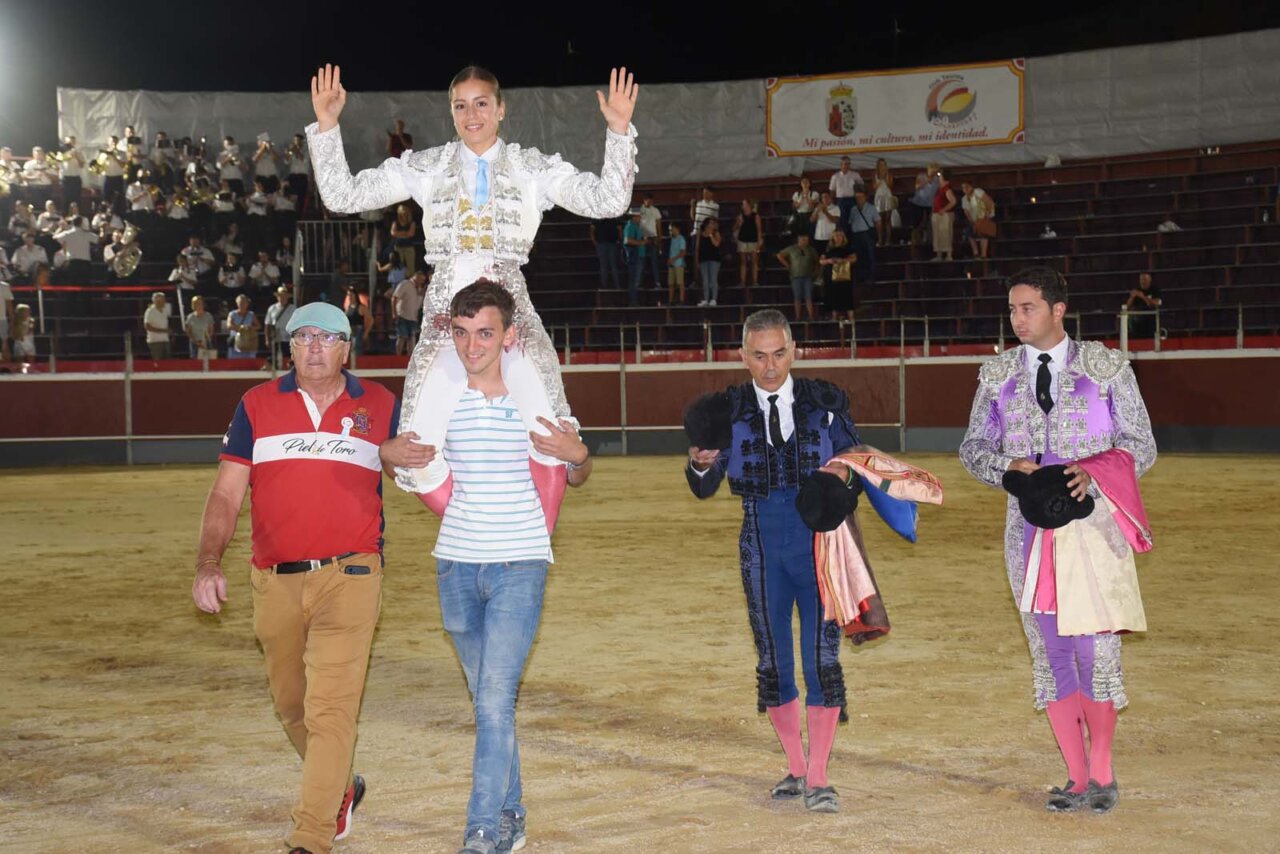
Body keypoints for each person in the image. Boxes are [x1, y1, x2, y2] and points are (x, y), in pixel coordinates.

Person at [307, 62, 636, 511]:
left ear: (500, 109)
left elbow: (609, 200)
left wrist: (619, 132)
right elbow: (343, 197)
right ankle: (472, 526)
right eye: (460, 106)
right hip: (446, 312)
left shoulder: (530, 166)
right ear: (452, 112)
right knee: (415, 450)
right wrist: (327, 125)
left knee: (554, 436)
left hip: (511, 315)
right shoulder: (427, 166)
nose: (471, 114)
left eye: (481, 103)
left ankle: (521, 535)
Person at [377, 281, 592, 854]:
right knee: (488, 703)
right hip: (454, 564)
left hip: (520, 562)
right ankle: (512, 813)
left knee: (494, 700)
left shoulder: (536, 401)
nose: (473, 346)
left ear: (509, 336)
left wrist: (580, 459)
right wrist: (384, 454)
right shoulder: (439, 403)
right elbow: (408, 464)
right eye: (464, 333)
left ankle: (479, 830)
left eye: (486, 333)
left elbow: (574, 467)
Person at [191, 302, 398, 854]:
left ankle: (310, 836)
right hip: (274, 579)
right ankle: (339, 787)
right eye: (302, 336)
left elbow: (412, 467)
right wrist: (208, 562)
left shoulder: (380, 403)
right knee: (292, 705)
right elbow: (227, 493)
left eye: (327, 337)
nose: (313, 346)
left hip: (352, 573)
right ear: (289, 348)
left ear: (346, 348)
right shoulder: (256, 405)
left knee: (331, 709)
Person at [959, 266, 1156, 814]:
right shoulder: (996, 376)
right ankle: (1074, 776)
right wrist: (1007, 465)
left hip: (1094, 529)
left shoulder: (1107, 366)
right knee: (1052, 651)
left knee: (1096, 650)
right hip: (1027, 531)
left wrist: (1095, 471)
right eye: (1013, 308)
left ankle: (1102, 772)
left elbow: (1142, 445)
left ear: (1058, 309)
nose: (1017, 318)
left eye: (1028, 308)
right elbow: (973, 449)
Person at [685, 309, 862, 813]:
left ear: (794, 351)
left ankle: (821, 774)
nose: (770, 366)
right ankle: (796, 766)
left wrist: (841, 478)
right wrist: (699, 464)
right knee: (774, 657)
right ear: (743, 356)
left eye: (779, 354)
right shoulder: (727, 410)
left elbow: (858, 464)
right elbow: (703, 485)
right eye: (759, 356)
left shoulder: (826, 403)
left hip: (819, 544)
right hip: (759, 544)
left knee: (820, 657)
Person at [776, 233, 819, 320]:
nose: (805, 241)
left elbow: (817, 262)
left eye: (806, 239)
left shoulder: (811, 250)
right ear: (799, 239)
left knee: (809, 296)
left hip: (808, 276)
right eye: (803, 239)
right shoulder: (792, 249)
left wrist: (815, 273)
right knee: (797, 297)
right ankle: (798, 317)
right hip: (795, 276)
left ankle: (811, 316)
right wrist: (787, 265)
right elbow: (779, 255)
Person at [819, 229, 856, 327]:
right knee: (833, 296)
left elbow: (854, 258)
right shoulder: (828, 249)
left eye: (840, 235)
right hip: (831, 276)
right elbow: (821, 261)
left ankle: (851, 318)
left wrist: (842, 260)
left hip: (845, 276)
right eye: (836, 235)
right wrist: (829, 261)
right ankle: (834, 317)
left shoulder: (847, 248)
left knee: (847, 296)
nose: (838, 237)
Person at [846, 187, 878, 284]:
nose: (859, 199)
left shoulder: (871, 208)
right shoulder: (853, 209)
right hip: (856, 234)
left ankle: (872, 276)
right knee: (859, 257)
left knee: (870, 256)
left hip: (867, 233)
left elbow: (878, 222)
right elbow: (850, 222)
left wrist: (879, 237)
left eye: (861, 197)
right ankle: (861, 277)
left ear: (866, 197)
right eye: (857, 197)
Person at [393, 269, 427, 355]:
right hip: (402, 315)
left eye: (423, 280)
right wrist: (394, 313)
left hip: (413, 317)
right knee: (402, 336)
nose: (422, 282)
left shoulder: (419, 289)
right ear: (416, 277)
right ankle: (398, 356)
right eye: (421, 280)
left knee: (411, 338)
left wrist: (421, 294)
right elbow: (394, 297)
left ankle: (409, 358)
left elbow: (417, 306)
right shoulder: (405, 284)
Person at [960, 179, 996, 259]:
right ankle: (975, 252)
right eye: (963, 188)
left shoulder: (978, 192)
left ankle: (983, 254)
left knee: (983, 231)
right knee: (969, 232)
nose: (965, 189)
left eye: (967, 187)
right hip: (975, 220)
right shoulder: (964, 199)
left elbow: (989, 203)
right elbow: (967, 213)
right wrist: (973, 223)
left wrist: (986, 216)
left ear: (971, 187)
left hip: (986, 216)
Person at [828, 156, 863, 233]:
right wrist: (833, 202)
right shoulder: (835, 176)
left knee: (854, 220)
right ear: (841, 165)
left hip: (852, 200)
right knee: (842, 221)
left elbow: (861, 188)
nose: (846, 165)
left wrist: (859, 201)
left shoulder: (855, 175)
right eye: (844, 164)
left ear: (850, 165)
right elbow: (832, 190)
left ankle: (853, 241)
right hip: (841, 201)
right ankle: (844, 241)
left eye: (848, 164)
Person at [264, 286, 296, 368]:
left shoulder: (293, 308)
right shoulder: (272, 308)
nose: (282, 298)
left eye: (284, 296)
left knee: (289, 355)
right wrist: (267, 338)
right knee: (275, 355)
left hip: (288, 335)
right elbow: (268, 324)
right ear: (277, 297)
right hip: (276, 334)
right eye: (280, 296)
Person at [1124, 272, 1163, 339]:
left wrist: (1143, 297)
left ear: (1150, 280)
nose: (1143, 281)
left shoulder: (1155, 290)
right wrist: (1132, 297)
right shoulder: (1137, 290)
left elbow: (1157, 303)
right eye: (1141, 279)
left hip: (1151, 319)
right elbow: (1126, 307)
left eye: (1145, 279)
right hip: (1138, 320)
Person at [734, 199, 763, 288]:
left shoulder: (756, 216)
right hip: (742, 240)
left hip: (753, 240)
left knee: (754, 261)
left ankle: (755, 282)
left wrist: (759, 240)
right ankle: (742, 282)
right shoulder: (740, 216)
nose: (743, 206)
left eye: (745, 204)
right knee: (743, 262)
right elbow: (735, 228)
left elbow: (759, 230)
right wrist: (739, 224)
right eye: (743, 204)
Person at [622, 208, 648, 306]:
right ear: (634, 217)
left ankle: (634, 300)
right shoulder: (630, 226)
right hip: (635, 256)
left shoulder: (637, 226)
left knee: (635, 280)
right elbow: (627, 240)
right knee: (634, 280)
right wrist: (642, 242)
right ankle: (633, 301)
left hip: (638, 255)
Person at [588, 216, 622, 291]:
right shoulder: (598, 218)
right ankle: (606, 285)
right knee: (605, 266)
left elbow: (619, 229)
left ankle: (616, 285)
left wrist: (618, 240)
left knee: (612, 266)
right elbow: (592, 230)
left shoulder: (613, 216)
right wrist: (595, 242)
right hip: (602, 243)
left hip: (611, 243)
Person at [638, 192, 663, 289]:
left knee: (654, 261)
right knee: (641, 261)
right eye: (647, 200)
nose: (649, 202)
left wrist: (659, 239)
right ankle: (639, 282)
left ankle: (657, 282)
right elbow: (637, 225)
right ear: (644, 200)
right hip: (643, 238)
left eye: (651, 200)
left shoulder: (655, 211)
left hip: (653, 238)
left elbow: (658, 226)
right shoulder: (639, 210)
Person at [931, 171, 957, 261]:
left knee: (946, 234)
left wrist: (944, 209)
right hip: (937, 214)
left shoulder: (947, 189)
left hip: (945, 215)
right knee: (938, 234)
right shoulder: (940, 188)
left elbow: (953, 201)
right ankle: (939, 254)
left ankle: (948, 255)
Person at [695, 217, 722, 307]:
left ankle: (714, 299)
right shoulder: (700, 233)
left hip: (714, 259)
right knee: (705, 280)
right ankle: (706, 299)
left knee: (713, 279)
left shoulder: (716, 233)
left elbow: (717, 244)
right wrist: (697, 259)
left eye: (713, 223)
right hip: (703, 259)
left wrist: (711, 235)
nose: (712, 225)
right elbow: (697, 246)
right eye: (710, 223)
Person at [343, 281, 373, 356]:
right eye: (349, 295)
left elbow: (371, 319)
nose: (350, 297)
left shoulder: (361, 307)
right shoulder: (348, 308)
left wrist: (366, 332)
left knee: (357, 349)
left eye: (351, 295)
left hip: (358, 331)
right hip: (350, 332)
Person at [227, 293, 259, 359]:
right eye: (240, 303)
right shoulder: (232, 314)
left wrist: (249, 328)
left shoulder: (251, 314)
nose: (242, 304)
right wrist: (240, 328)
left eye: (244, 302)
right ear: (237, 303)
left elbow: (258, 326)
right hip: (236, 342)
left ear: (247, 304)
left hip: (248, 342)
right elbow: (229, 325)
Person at [142, 291, 172, 359]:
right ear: (156, 301)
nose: (164, 302)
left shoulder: (165, 310)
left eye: (164, 300)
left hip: (165, 340)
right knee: (158, 363)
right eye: (161, 300)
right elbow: (147, 326)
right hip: (155, 341)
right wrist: (163, 331)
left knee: (168, 362)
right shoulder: (150, 311)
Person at [871, 158, 894, 246]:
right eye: (880, 164)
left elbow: (890, 185)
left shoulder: (889, 174)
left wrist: (885, 177)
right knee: (879, 220)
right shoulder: (875, 175)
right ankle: (880, 239)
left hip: (887, 196)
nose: (882, 166)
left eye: (884, 164)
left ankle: (888, 240)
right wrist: (879, 181)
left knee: (887, 220)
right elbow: (874, 187)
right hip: (879, 197)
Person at [810, 191, 841, 256]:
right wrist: (817, 211)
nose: (825, 199)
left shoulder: (835, 208)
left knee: (830, 255)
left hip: (830, 237)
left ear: (831, 198)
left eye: (826, 197)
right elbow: (812, 220)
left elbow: (835, 220)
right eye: (823, 197)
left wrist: (826, 212)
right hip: (818, 237)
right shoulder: (818, 208)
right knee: (819, 256)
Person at [666, 222, 687, 305]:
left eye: (672, 230)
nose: (671, 232)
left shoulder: (681, 239)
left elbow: (683, 252)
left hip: (678, 264)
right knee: (671, 284)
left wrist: (673, 259)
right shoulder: (672, 239)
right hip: (672, 264)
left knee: (680, 283)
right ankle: (671, 300)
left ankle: (681, 300)